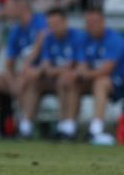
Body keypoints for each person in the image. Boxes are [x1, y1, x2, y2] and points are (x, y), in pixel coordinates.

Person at [67, 7, 124, 145]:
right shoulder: (84, 40)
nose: (91, 26)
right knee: (74, 82)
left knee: (101, 82)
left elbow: (106, 70)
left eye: (94, 22)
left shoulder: (114, 39)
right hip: (103, 78)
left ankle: (96, 130)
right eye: (88, 22)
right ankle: (69, 128)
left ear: (103, 22)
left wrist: (83, 73)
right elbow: (81, 64)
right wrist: (78, 73)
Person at [0, 0, 47, 139]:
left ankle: (25, 129)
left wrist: (22, 74)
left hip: (43, 74)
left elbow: (37, 49)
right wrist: (12, 81)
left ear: (21, 6)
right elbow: (9, 63)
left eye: (8, 7)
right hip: (22, 73)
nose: (5, 11)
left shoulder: (41, 23)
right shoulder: (15, 30)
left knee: (29, 79)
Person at [22, 8, 86, 140]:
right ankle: (25, 127)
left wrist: (58, 70)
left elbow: (79, 66)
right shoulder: (48, 39)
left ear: (65, 22)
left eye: (56, 24)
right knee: (31, 81)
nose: (53, 27)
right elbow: (46, 66)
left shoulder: (78, 37)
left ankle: (68, 126)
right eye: (50, 25)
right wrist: (60, 69)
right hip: (53, 78)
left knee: (66, 80)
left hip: (75, 80)